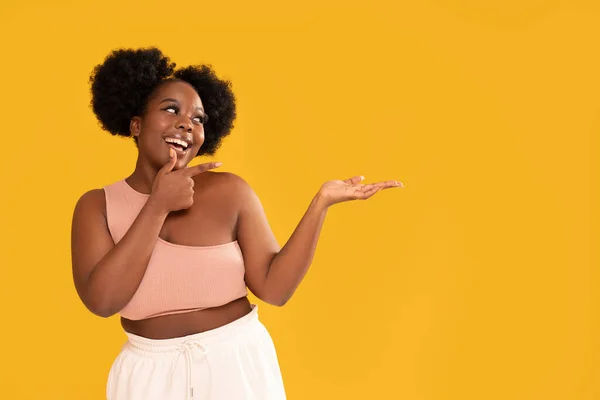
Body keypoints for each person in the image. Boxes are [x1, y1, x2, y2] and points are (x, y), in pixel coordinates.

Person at [70, 47, 403, 400]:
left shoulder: (230, 191)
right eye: (172, 109)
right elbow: (102, 302)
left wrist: (321, 203)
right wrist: (157, 207)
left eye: (199, 119)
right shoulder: (97, 206)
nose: (187, 123)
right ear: (136, 123)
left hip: (237, 364)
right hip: (147, 377)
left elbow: (275, 290)